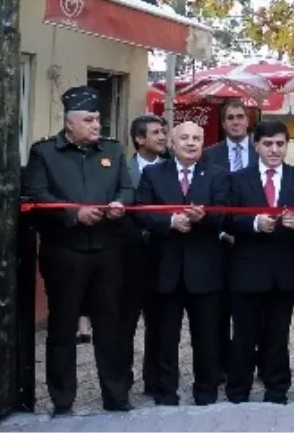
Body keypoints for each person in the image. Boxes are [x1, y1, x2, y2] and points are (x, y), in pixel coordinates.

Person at [22, 86, 132, 415]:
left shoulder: (112, 150)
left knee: (110, 325)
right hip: (64, 251)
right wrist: (74, 213)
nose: (97, 124)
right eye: (89, 119)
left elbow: (127, 188)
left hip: (107, 251)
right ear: (70, 124)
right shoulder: (44, 153)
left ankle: (116, 396)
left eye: (98, 118)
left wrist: (119, 205)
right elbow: (36, 195)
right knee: (62, 327)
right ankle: (62, 400)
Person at [134, 121, 230, 407]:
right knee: (165, 337)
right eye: (184, 138)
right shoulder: (153, 173)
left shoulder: (218, 175)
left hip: (205, 269)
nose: (191, 143)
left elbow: (225, 214)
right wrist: (170, 221)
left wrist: (205, 218)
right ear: (172, 143)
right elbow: (140, 211)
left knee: (207, 336)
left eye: (197, 138)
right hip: (166, 268)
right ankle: (165, 392)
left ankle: (206, 390)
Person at [225, 119, 294, 404]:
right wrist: (254, 223)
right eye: (268, 144)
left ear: (287, 145)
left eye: (280, 144)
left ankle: (277, 389)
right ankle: (238, 390)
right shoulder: (238, 178)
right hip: (246, 268)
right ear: (256, 147)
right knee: (243, 334)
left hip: (283, 269)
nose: (274, 150)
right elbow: (227, 217)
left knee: (278, 334)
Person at [203, 98, 259, 378]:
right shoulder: (210, 155)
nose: (236, 122)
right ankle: (224, 364)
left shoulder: (263, 150)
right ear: (223, 124)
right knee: (221, 308)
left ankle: (254, 361)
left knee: (254, 306)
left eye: (240, 117)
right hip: (220, 242)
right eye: (230, 118)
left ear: (248, 120)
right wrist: (222, 232)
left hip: (256, 240)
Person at [121, 114, 166, 397]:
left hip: (162, 257)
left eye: (163, 132)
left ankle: (155, 379)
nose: (162, 137)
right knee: (125, 323)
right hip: (129, 259)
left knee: (159, 323)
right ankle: (121, 379)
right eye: (155, 133)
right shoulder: (121, 170)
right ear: (139, 139)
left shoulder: (173, 169)